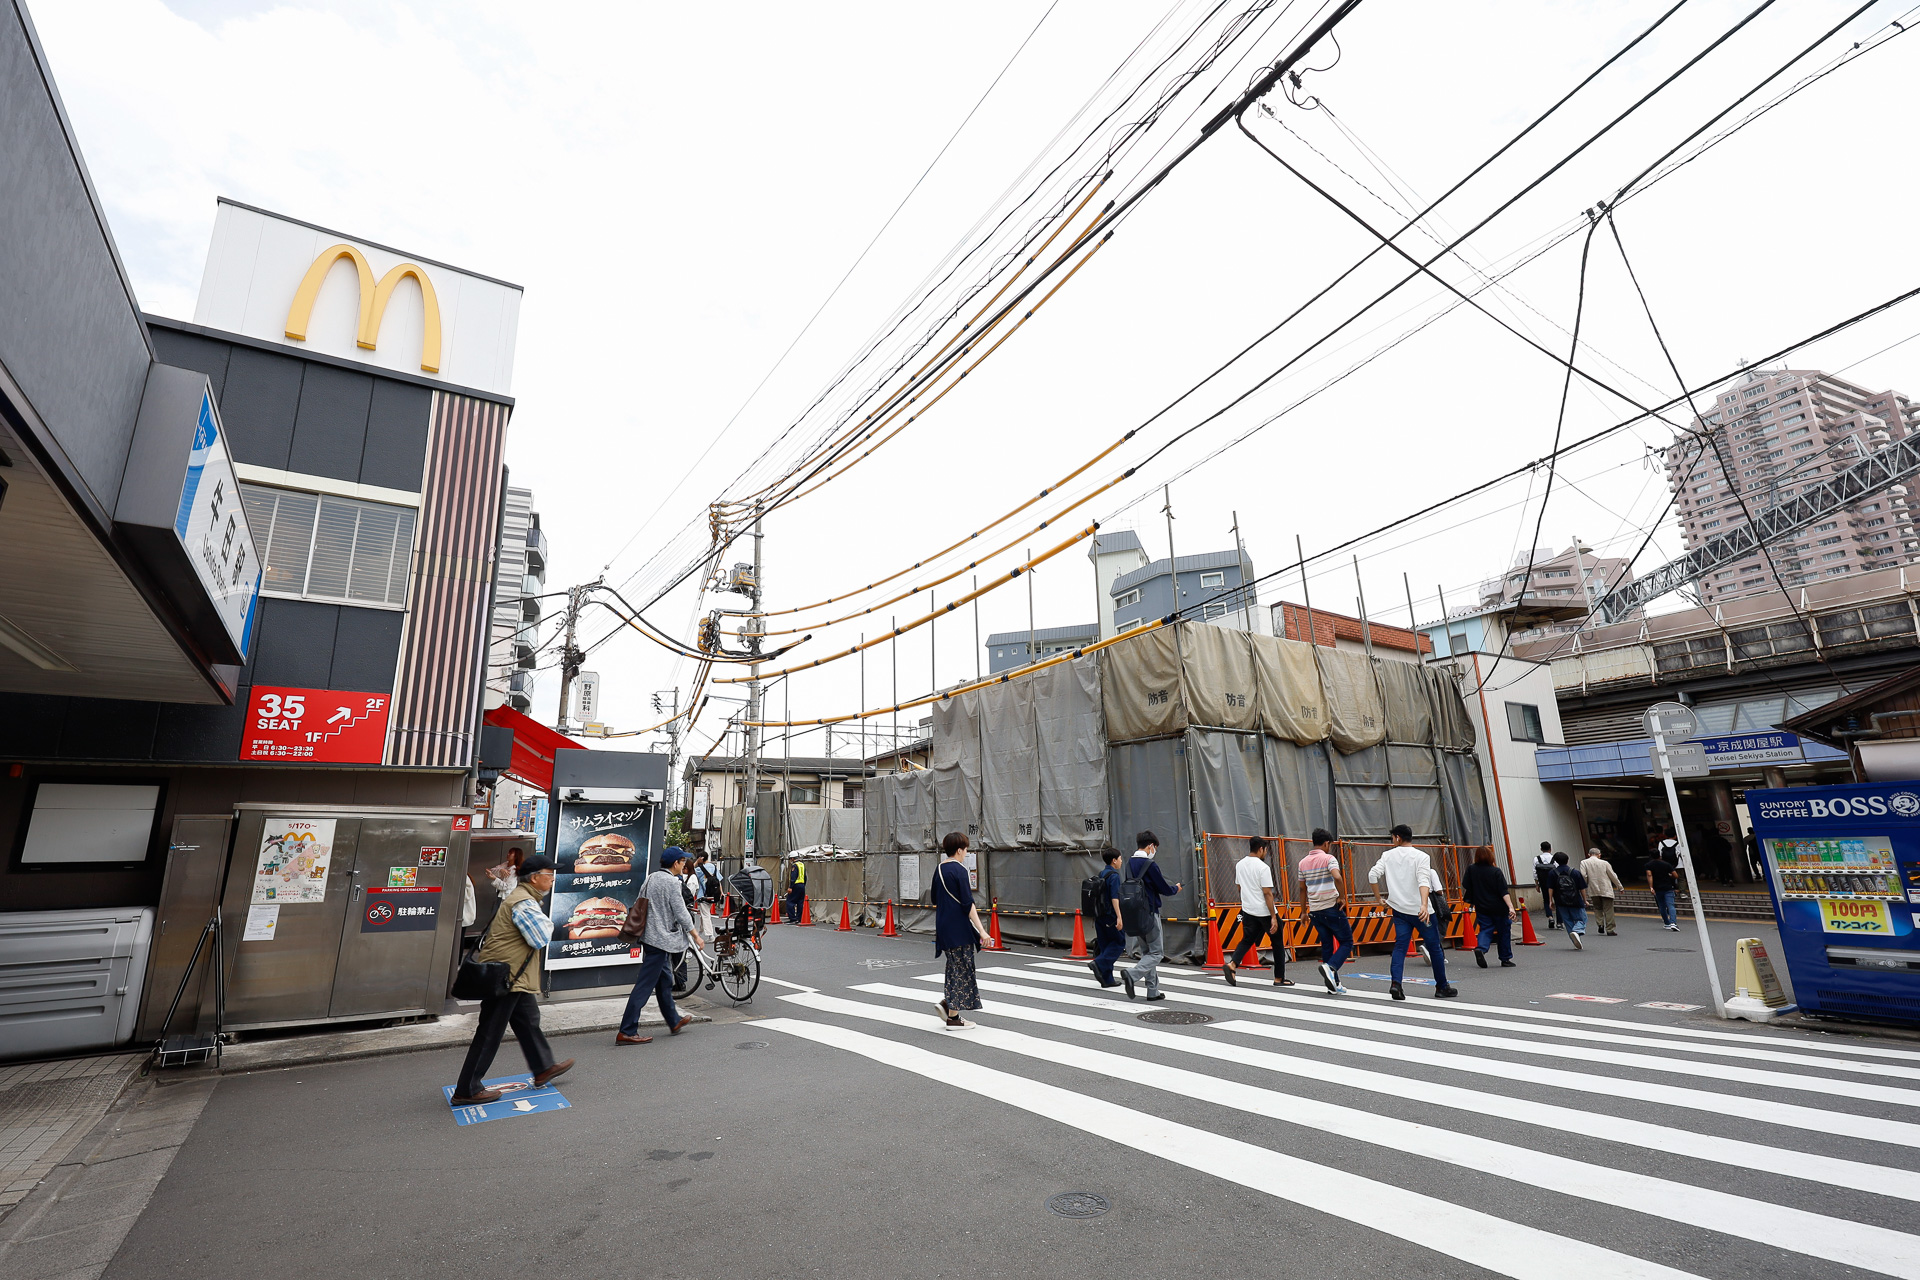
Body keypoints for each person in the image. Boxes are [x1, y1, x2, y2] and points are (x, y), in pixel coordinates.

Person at [452, 855, 572, 1104]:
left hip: (513, 976)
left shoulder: (524, 898)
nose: (552, 879)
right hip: (505, 978)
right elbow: (540, 937)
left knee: (528, 1021)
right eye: (550, 875)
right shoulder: (523, 902)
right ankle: (467, 1089)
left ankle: (543, 1068)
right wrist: (551, 923)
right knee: (490, 1032)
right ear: (535, 877)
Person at [1367, 824, 1457, 1001]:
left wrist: (1379, 899)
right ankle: (1441, 986)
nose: (1392, 841)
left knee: (1400, 947)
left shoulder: (1387, 856)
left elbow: (1372, 875)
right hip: (1421, 912)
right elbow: (1423, 881)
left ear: (1398, 837)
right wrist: (1424, 904)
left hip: (1399, 910)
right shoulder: (1421, 856)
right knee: (1435, 949)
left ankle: (1396, 985)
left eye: (1392, 837)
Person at [617, 849, 696, 1045]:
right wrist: (695, 934)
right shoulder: (672, 882)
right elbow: (681, 912)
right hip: (660, 940)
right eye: (682, 861)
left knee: (664, 981)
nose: (683, 865)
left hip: (648, 937)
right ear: (675, 863)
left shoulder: (651, 877)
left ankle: (674, 1020)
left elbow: (639, 903)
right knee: (644, 987)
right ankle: (627, 1030)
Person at [934, 832, 990, 1026]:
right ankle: (954, 1017)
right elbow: (968, 904)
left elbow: (934, 898)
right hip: (959, 928)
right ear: (959, 850)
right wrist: (982, 931)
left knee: (953, 966)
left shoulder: (939, 869)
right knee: (963, 968)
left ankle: (947, 1004)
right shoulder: (960, 870)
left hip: (943, 926)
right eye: (966, 849)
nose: (966, 852)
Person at [1120, 830, 1182, 1002]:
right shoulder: (1150, 864)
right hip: (1150, 912)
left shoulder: (1129, 863)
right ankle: (1131, 975)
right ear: (1150, 846)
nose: (1155, 851)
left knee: (1147, 951)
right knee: (1156, 953)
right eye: (1155, 847)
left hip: (1134, 914)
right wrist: (1176, 888)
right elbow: (1162, 888)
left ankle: (1152, 991)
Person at [1224, 837, 1290, 987]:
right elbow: (1267, 893)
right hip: (1264, 911)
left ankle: (1232, 964)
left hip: (1248, 910)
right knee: (1278, 942)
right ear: (1261, 849)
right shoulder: (1263, 867)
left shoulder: (1240, 865)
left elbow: (1239, 887)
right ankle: (1279, 978)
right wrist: (1273, 916)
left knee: (1247, 939)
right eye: (1265, 850)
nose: (1265, 853)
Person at [1297, 829, 1353, 994]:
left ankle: (1334, 984)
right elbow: (1337, 877)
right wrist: (1343, 897)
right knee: (1347, 942)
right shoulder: (1329, 858)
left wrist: (1303, 912)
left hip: (1314, 911)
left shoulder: (1302, 862)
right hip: (1330, 907)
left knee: (1327, 944)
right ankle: (1331, 968)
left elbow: (1301, 888)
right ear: (1326, 843)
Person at [1462, 845, 1516, 968]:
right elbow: (1503, 891)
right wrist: (1510, 907)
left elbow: (1466, 884)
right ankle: (1505, 958)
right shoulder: (1496, 871)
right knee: (1504, 932)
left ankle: (1481, 948)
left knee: (1486, 929)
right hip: (1499, 907)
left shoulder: (1471, 869)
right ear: (1491, 856)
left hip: (1481, 906)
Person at [1086, 848, 1127, 988]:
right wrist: (1119, 917)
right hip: (1111, 916)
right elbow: (1115, 897)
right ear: (1114, 860)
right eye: (1120, 858)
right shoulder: (1114, 876)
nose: (1121, 861)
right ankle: (1098, 963)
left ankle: (1107, 979)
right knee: (1119, 942)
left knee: (1105, 946)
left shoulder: (1101, 873)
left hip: (1099, 916)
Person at [1579, 845, 1622, 936]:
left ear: (1589, 854)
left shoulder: (1584, 862)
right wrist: (1619, 886)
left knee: (1597, 907)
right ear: (1599, 855)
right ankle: (1610, 929)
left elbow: (1583, 875)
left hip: (1593, 889)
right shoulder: (1605, 863)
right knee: (1608, 909)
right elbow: (1612, 875)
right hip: (1605, 888)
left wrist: (1586, 883)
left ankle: (1600, 924)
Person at [1549, 851, 1589, 949]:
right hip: (1575, 900)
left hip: (1560, 900)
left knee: (1567, 920)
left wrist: (1550, 900)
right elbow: (1582, 888)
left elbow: (1550, 888)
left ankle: (1574, 939)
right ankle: (1577, 932)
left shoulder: (1552, 873)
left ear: (1556, 862)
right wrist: (1585, 900)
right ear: (1567, 860)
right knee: (1582, 918)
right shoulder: (1575, 872)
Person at [1645, 827, 1682, 931]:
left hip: (1657, 888)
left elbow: (1649, 875)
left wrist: (1651, 887)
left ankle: (1666, 923)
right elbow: (1676, 876)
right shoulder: (1667, 864)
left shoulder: (1649, 865)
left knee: (1662, 906)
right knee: (1671, 905)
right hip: (1668, 887)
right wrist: (1670, 876)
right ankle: (1674, 923)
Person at [1532, 841, 1560, 929]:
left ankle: (1550, 917)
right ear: (1550, 849)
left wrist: (1537, 884)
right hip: (1555, 882)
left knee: (1547, 900)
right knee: (1558, 901)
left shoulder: (1536, 859)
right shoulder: (1554, 858)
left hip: (1543, 882)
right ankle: (1559, 922)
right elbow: (1558, 870)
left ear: (1541, 849)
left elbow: (1534, 872)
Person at [786, 855, 808, 924]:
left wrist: (790, 887)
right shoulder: (802, 864)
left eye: (790, 858)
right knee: (800, 902)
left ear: (793, 858)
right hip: (802, 885)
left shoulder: (794, 866)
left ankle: (792, 918)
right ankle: (799, 918)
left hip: (795, 885)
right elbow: (805, 876)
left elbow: (793, 877)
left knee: (790, 902)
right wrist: (803, 885)